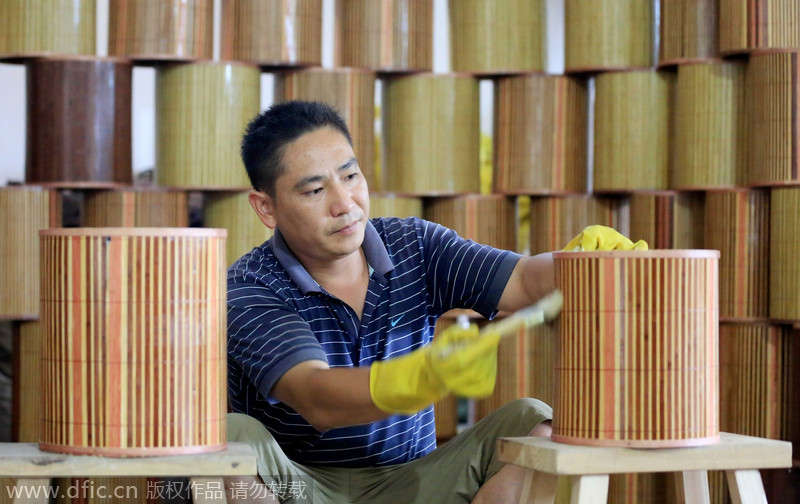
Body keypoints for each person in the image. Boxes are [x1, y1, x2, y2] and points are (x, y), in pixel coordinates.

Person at [226, 100, 646, 503]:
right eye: (316, 190)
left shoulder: (415, 245)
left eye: (350, 176)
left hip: (416, 483)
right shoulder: (249, 286)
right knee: (234, 438)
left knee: (533, 420)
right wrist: (417, 377)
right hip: (299, 488)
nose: (345, 204)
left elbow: (522, 280)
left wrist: (581, 265)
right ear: (267, 208)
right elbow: (316, 396)